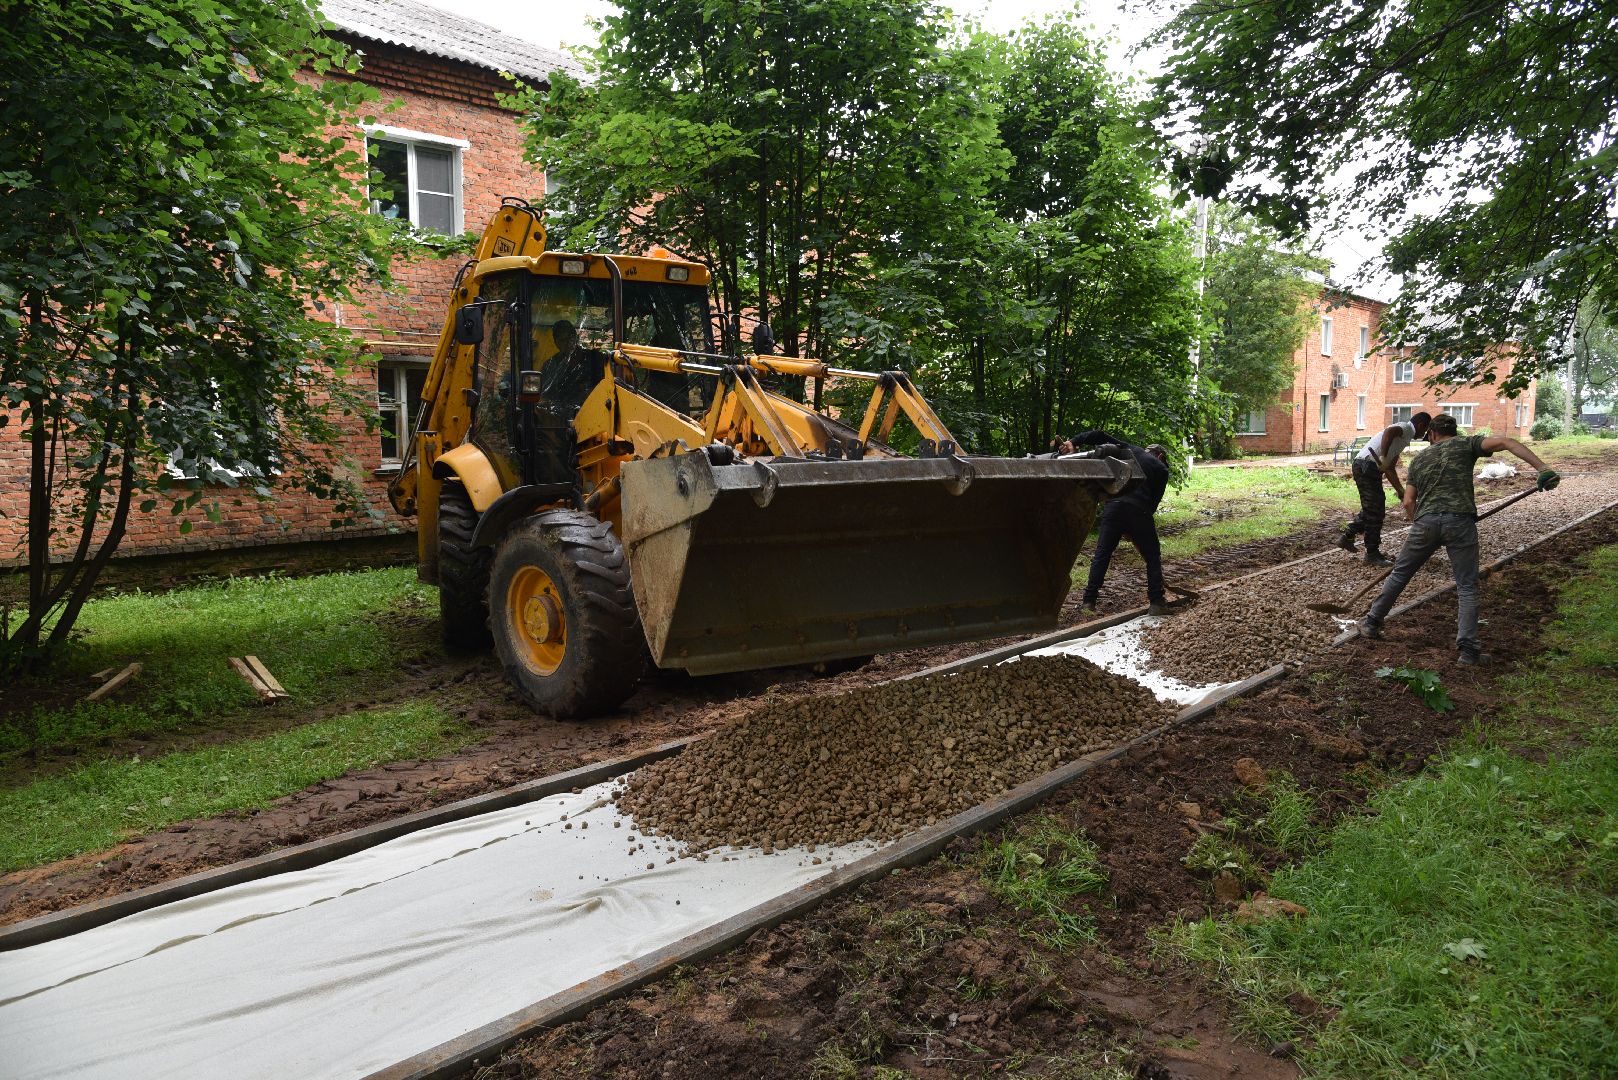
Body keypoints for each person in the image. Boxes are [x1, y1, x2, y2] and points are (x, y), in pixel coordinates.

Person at [1357, 414, 1560, 665]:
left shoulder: (1420, 459)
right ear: (1454, 431)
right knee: (1466, 586)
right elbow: (1507, 442)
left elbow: (1408, 501)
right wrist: (1543, 469)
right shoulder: (1467, 444)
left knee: (1400, 574)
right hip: (1460, 523)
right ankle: (1469, 651)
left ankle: (1372, 622)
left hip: (1425, 523)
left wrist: (1420, 523)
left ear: (1432, 434)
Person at [1063, 430, 1171, 617]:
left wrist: (1074, 441)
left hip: (1113, 507)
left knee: (1102, 554)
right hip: (1140, 511)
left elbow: (1099, 434)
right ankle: (1156, 602)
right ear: (1160, 456)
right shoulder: (1161, 469)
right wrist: (1136, 528)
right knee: (1152, 556)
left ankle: (1088, 602)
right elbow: (1152, 505)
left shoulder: (1129, 449)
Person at [1340, 411, 1432, 566]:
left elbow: (1389, 468)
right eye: (1425, 430)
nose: (1424, 434)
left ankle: (1348, 536)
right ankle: (1372, 554)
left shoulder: (1403, 439)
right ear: (1421, 425)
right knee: (1375, 511)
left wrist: (1401, 491)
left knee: (1373, 508)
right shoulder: (1405, 428)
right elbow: (1389, 432)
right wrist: (1383, 456)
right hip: (1367, 465)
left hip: (1366, 466)